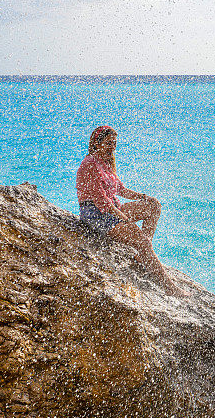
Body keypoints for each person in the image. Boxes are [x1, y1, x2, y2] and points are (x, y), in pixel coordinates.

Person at [77, 125, 182, 296]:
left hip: (112, 208)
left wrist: (144, 197)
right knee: (142, 241)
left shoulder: (106, 161)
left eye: (115, 143)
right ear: (97, 143)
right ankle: (169, 288)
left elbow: (121, 190)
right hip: (96, 214)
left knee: (153, 206)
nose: (113, 146)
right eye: (109, 142)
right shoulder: (90, 164)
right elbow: (101, 200)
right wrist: (123, 218)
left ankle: (142, 256)